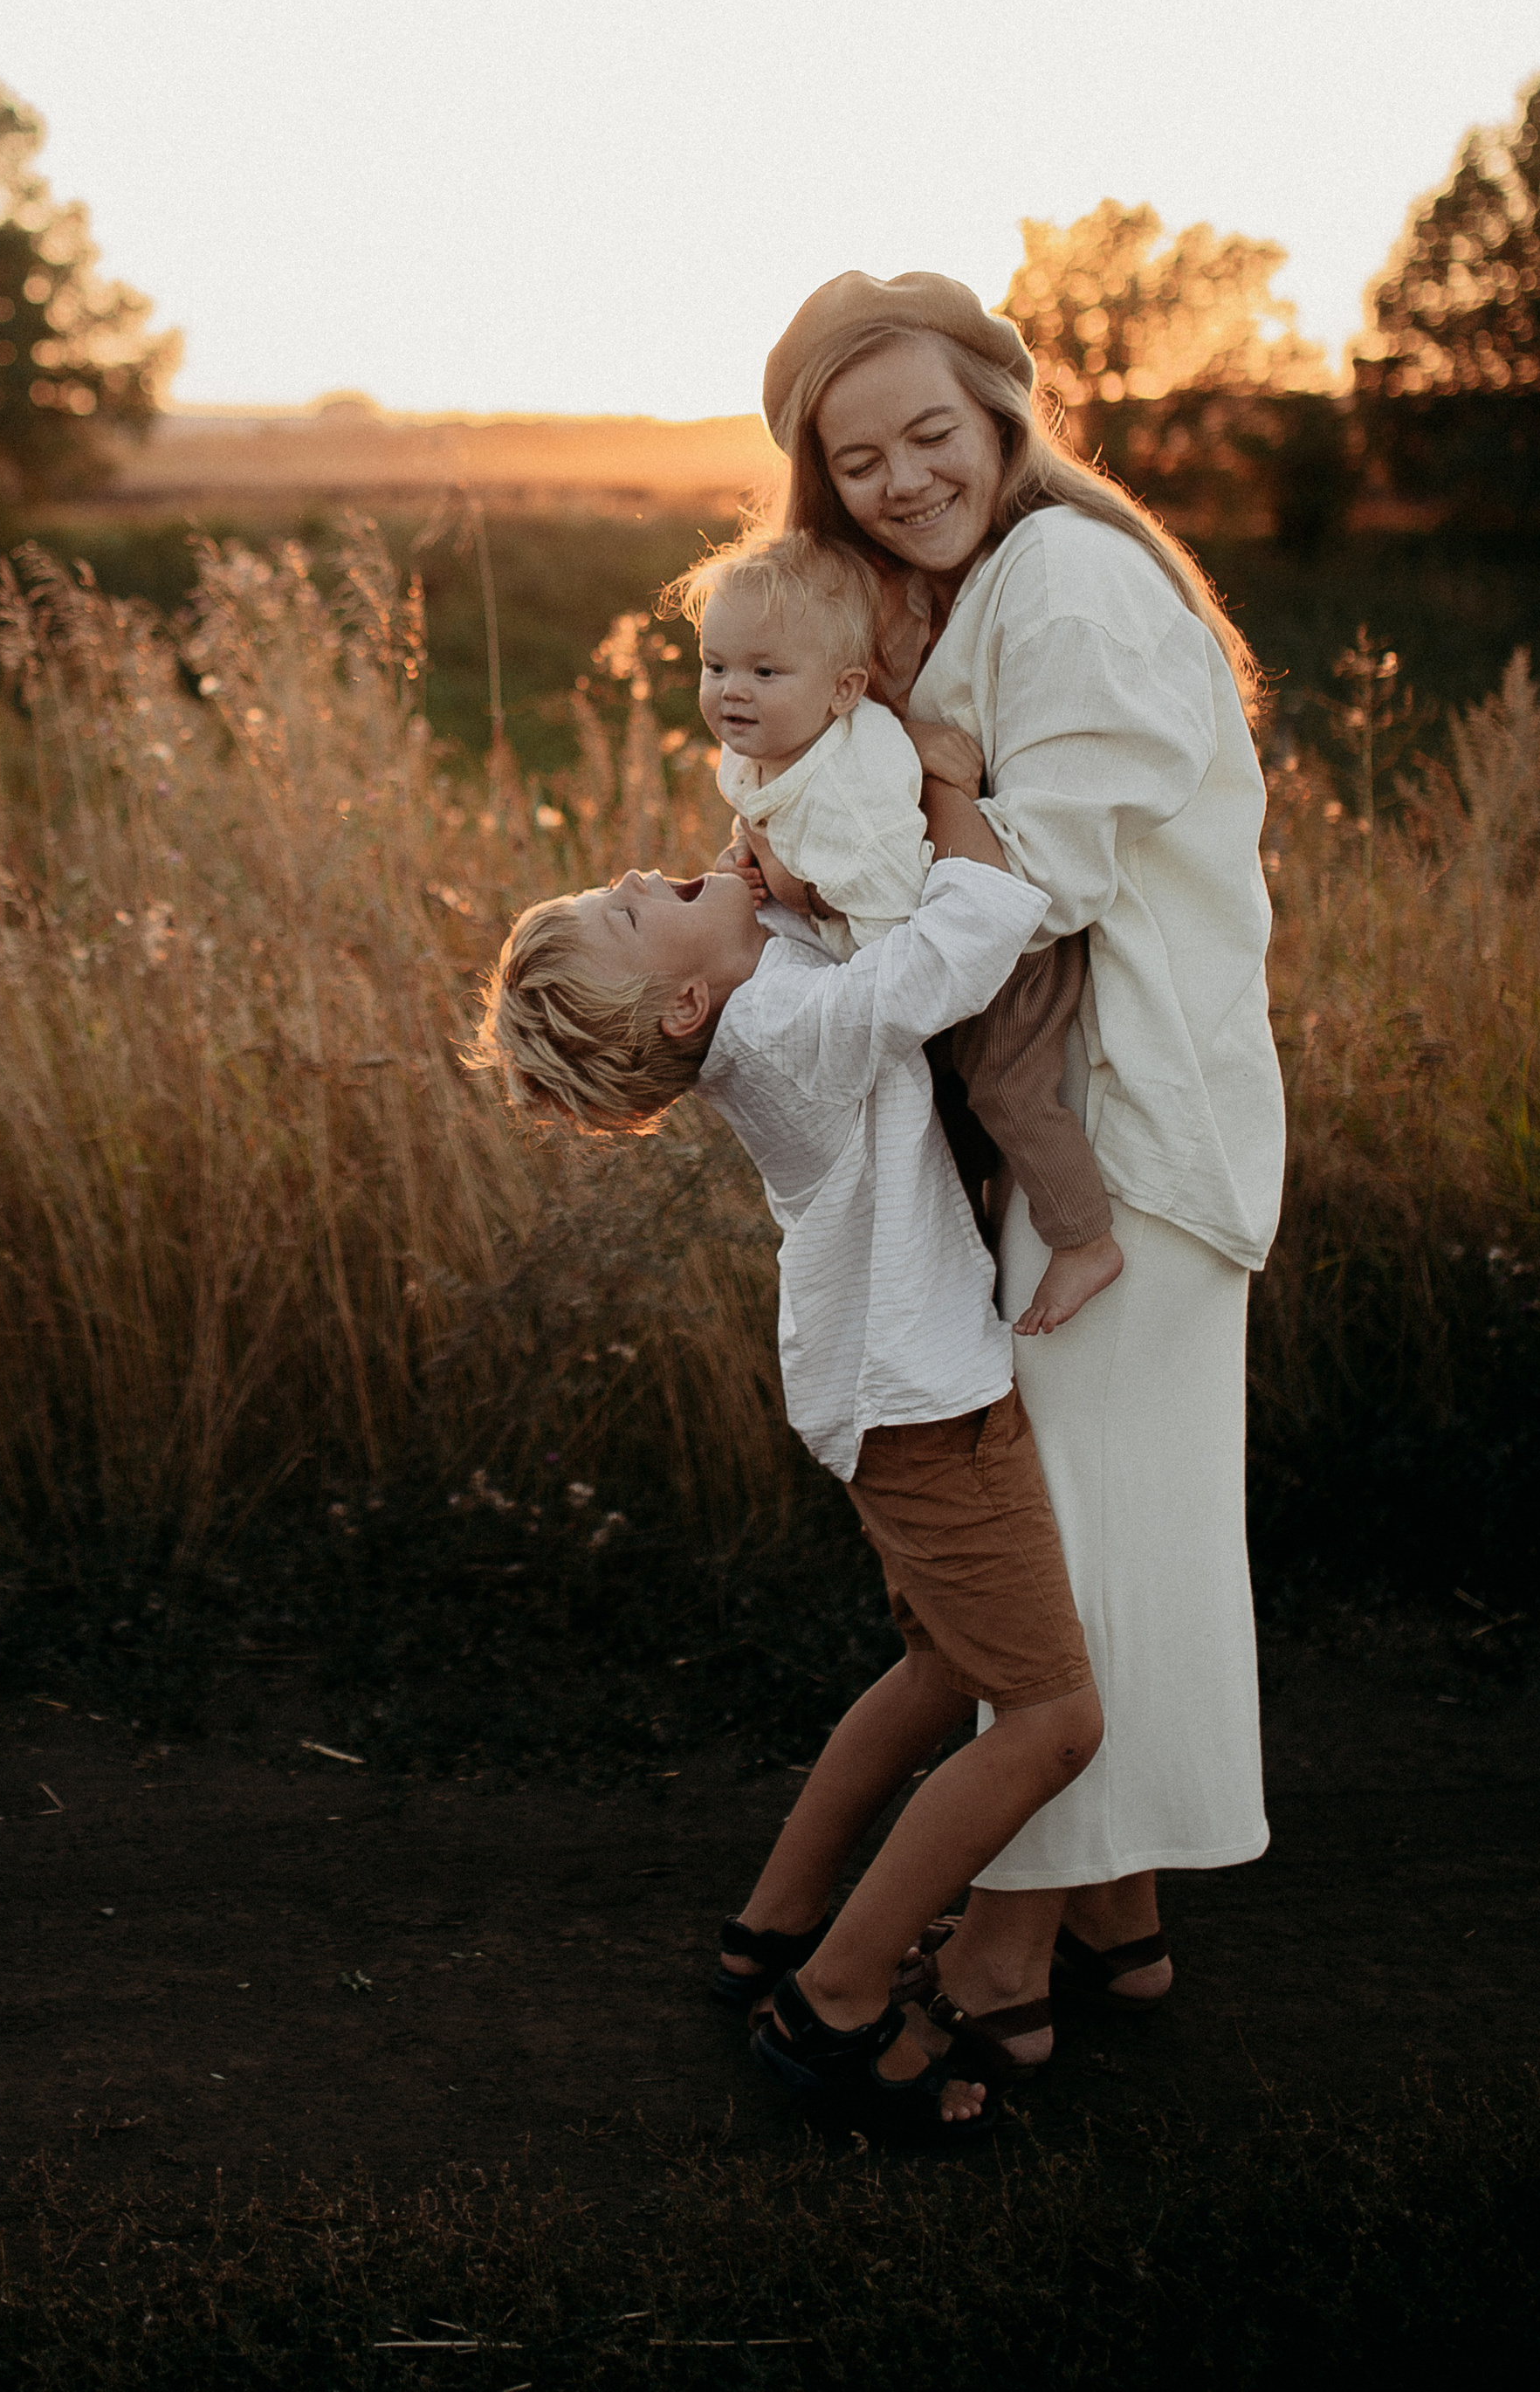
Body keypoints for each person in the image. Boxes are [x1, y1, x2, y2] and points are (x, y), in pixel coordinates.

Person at [758, 265, 1282, 2081]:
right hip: (1097, 1126)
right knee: (1107, 1535)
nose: (901, 476)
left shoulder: (1064, 580)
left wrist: (880, 818)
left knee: (1080, 1555)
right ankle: (1111, 1921)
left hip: (1130, 1140)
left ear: (1000, 412)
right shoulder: (988, 584)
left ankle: (1000, 1957)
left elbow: (1033, 885)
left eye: (928, 433)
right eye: (857, 458)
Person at [473, 794, 1103, 2147]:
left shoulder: (761, 1007)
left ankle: (770, 1925)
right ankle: (835, 1994)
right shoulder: (791, 1032)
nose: (648, 869)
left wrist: (793, 887)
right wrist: (949, 798)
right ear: (691, 1005)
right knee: (1054, 1722)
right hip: (933, 1406)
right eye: (637, 907)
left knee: (943, 1666)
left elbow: (822, 953)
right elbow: (966, 940)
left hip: (880, 1397)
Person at [672, 527, 1122, 1337]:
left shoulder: (853, 806)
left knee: (1004, 1089)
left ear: (845, 690)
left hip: (1009, 957)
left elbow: (911, 943)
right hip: (945, 937)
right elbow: (768, 819)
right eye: (715, 667)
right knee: (944, 1122)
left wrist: (811, 906)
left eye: (764, 673)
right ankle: (973, 1255)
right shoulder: (771, 745)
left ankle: (1085, 1237)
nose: (732, 692)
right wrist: (752, 860)